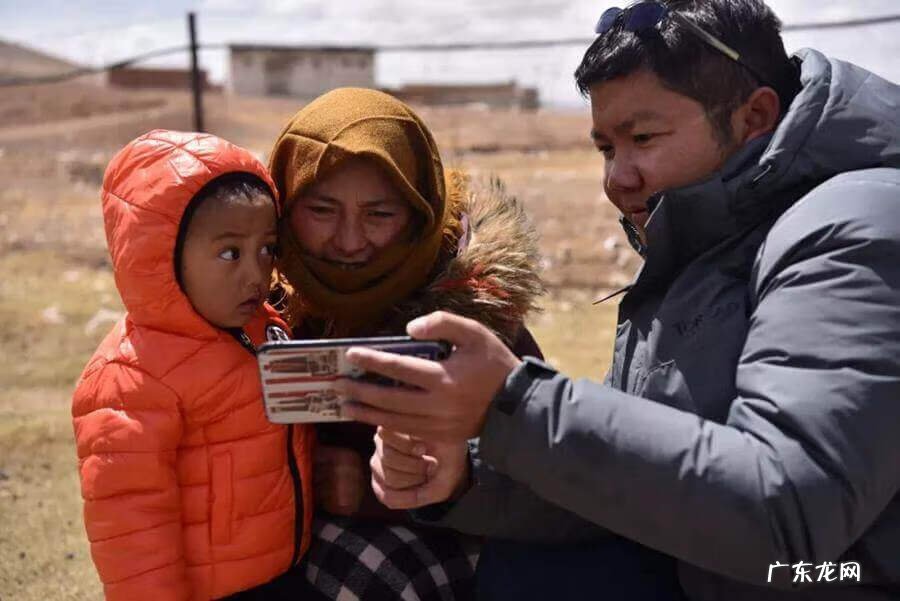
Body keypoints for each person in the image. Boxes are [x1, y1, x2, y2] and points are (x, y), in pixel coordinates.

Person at [338, 1, 900, 599]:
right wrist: (464, 476)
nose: (616, 177)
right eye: (607, 147)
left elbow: (789, 511)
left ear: (754, 116)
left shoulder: (853, 227)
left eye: (643, 138)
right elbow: (641, 488)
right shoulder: (703, 240)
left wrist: (517, 404)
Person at [267, 87, 547, 599]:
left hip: (440, 550)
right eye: (322, 210)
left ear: (420, 213)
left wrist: (401, 489)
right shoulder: (258, 308)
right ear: (284, 208)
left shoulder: (471, 314)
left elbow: (535, 477)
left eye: (379, 214)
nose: (350, 241)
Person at [71, 130, 316, 600]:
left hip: (287, 568)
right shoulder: (131, 379)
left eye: (267, 249)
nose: (256, 274)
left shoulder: (267, 327)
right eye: (229, 253)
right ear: (159, 255)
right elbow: (132, 531)